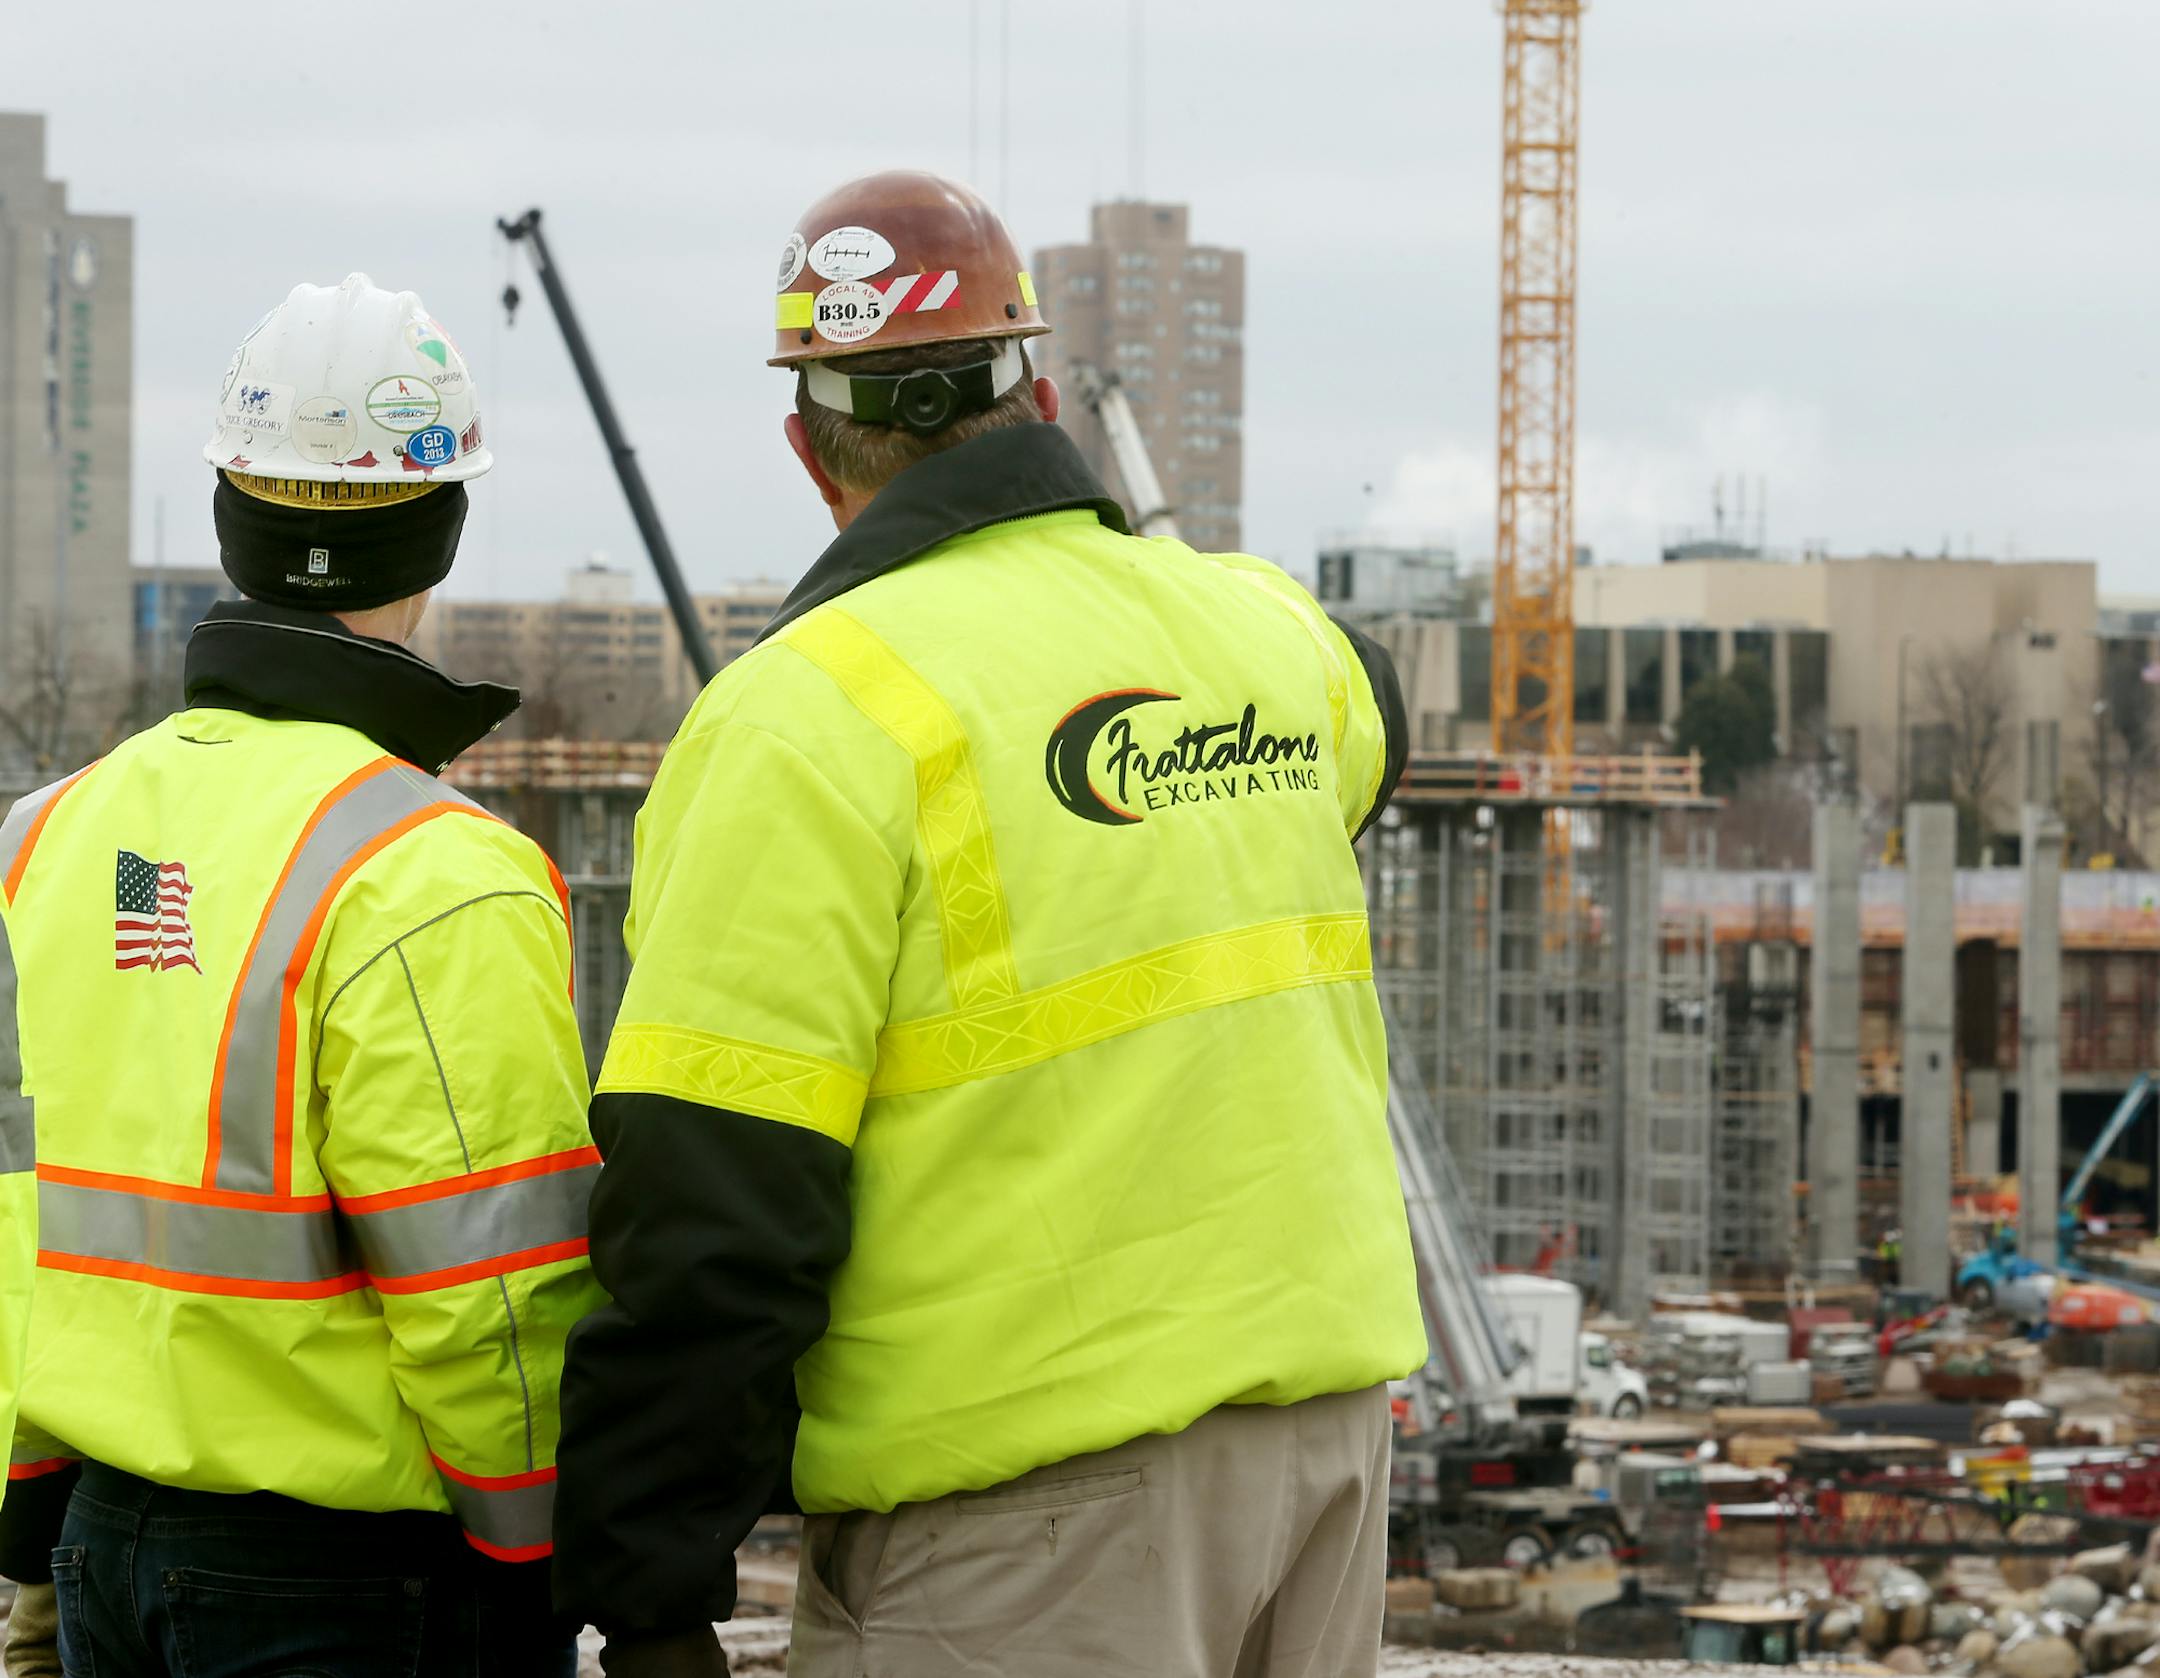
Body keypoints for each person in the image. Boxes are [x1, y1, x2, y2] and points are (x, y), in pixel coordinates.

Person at [554, 172, 1426, 1678]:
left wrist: (648, 1584)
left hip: (1032, 1515)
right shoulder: (1267, 631)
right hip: (1327, 1473)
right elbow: (1379, 719)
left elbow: (715, 1192)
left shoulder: (806, 718)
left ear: (810, 450)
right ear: (1035, 397)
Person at [0, 274, 603, 1677]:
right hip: (340, 1582)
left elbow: (38, 1206)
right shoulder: (438, 867)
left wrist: (29, 1513)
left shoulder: (53, 832)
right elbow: (491, 1286)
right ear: (443, 529)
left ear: (228, 512)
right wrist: (532, 1565)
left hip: (103, 1530)